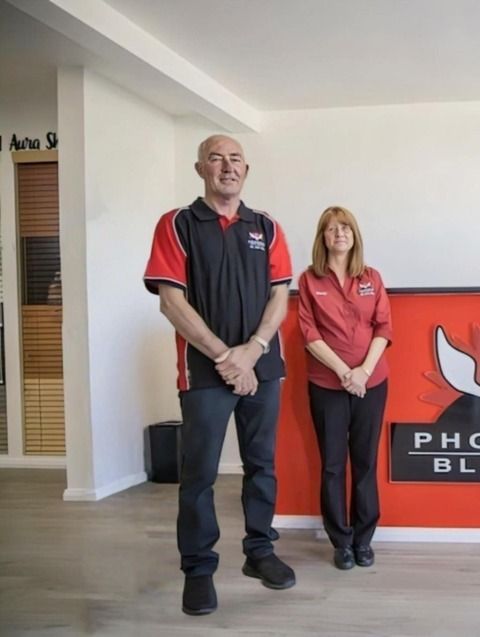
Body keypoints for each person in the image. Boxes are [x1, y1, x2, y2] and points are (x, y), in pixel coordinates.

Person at [144, 135, 296, 616]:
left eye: (235, 160)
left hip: (264, 367)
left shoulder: (266, 227)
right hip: (203, 372)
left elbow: (279, 298)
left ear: (246, 171)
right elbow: (172, 301)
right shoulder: (178, 224)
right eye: (216, 158)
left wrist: (251, 352)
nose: (227, 167)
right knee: (200, 474)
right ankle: (198, 569)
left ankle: (260, 552)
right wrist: (224, 358)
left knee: (262, 466)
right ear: (200, 168)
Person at [297, 206, 392, 571]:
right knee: (333, 466)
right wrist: (343, 373)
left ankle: (364, 540)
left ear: (355, 235)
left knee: (365, 463)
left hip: (372, 383)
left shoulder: (372, 277)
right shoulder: (309, 280)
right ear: (322, 237)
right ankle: (341, 542)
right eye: (332, 228)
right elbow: (309, 334)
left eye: (346, 227)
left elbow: (384, 328)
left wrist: (363, 373)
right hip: (327, 385)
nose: (339, 233)